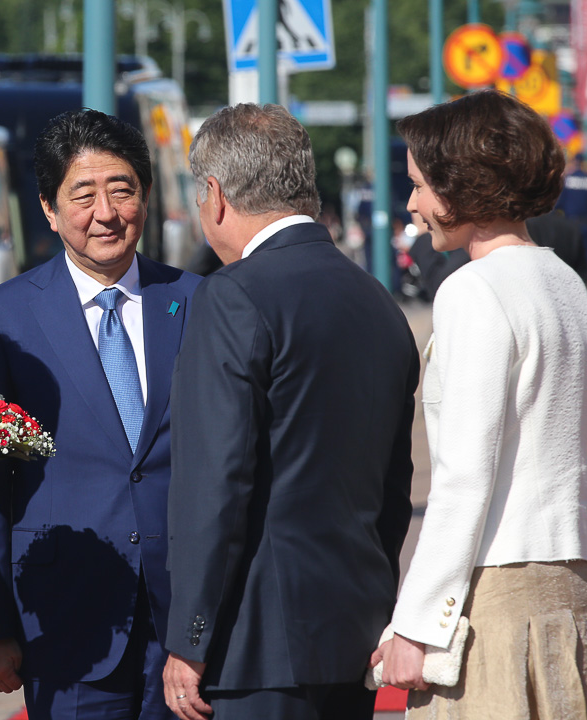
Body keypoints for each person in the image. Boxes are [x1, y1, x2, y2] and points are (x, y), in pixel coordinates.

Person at [371, 90, 587, 718]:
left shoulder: (473, 291)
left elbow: (465, 477)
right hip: (575, 577)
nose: (412, 204)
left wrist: (415, 625)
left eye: (420, 185)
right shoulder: (563, 281)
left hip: (498, 591)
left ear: (463, 186)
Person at [163, 103, 419, 720]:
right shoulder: (376, 299)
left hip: (254, 645)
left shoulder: (233, 295)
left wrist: (189, 637)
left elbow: (216, 481)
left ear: (216, 195)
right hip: (352, 628)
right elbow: (394, 483)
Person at [0, 109, 202, 719]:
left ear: (145, 196)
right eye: (83, 195)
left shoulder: (196, 301)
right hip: (64, 620)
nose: (106, 213)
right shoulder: (5, 317)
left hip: (183, 623)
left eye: (122, 190)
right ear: (48, 207)